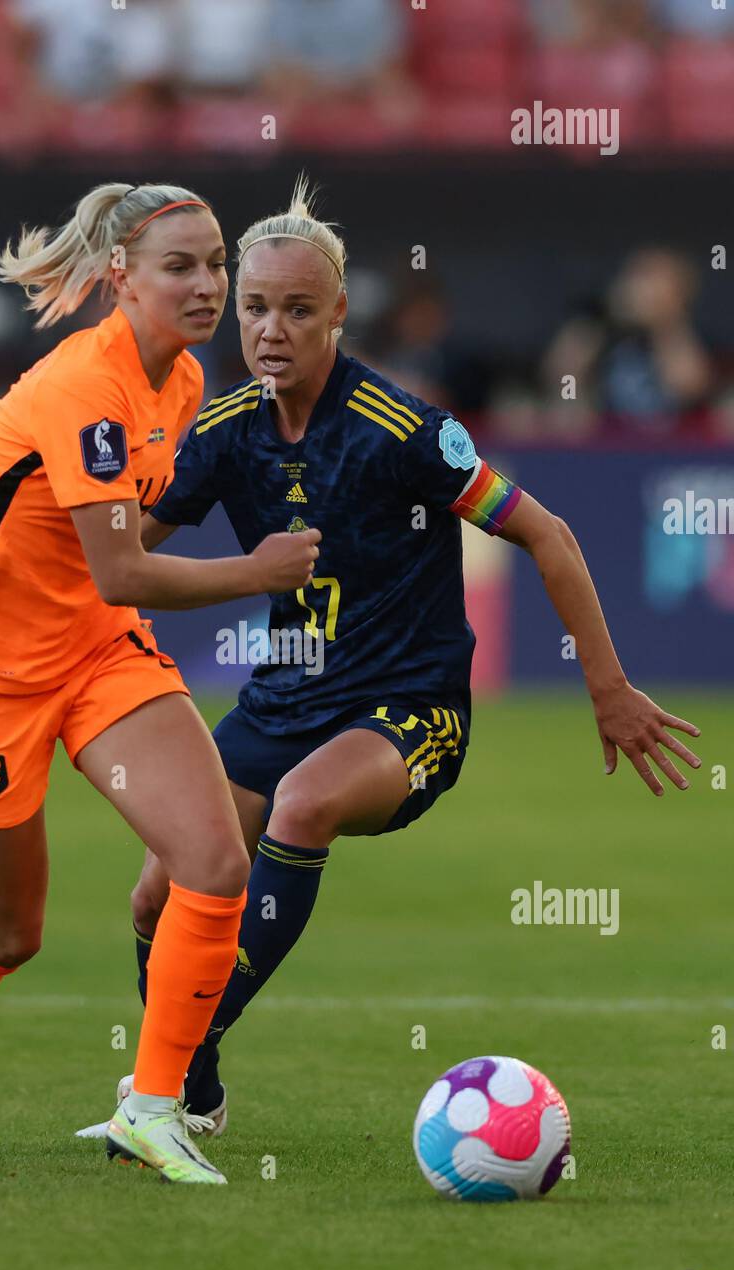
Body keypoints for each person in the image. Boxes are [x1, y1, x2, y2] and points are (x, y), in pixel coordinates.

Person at [115, 180, 702, 1136]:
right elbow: (125, 556)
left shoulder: (407, 434)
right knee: (154, 894)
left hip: (407, 710)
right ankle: (193, 1089)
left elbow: (549, 536)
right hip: (280, 704)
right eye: (255, 307)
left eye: (298, 310)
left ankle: (158, 1077)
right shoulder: (224, 435)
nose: (271, 329)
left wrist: (608, 687)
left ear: (338, 313)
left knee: (301, 806)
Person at [0, 180, 320, 1185]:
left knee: (213, 859)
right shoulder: (83, 385)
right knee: (7, 932)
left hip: (97, 650)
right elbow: (123, 563)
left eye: (217, 265)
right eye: (182, 267)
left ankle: (153, 1109)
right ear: (121, 276)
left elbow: (120, 551)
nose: (209, 286)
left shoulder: (187, 381)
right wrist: (257, 572)